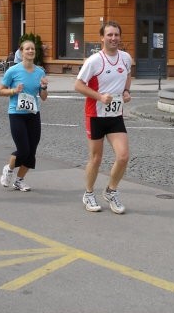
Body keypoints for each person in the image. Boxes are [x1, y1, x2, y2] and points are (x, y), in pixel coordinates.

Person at [74, 21, 132, 214]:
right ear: (102, 38)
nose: (113, 38)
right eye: (109, 35)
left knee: (123, 156)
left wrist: (125, 91)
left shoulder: (125, 58)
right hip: (95, 114)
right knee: (96, 158)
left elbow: (128, 76)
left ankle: (111, 191)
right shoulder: (94, 61)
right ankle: (89, 193)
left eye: (116, 35)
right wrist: (100, 96)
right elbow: (78, 85)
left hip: (115, 115)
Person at [0, 39, 48, 192]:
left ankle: (19, 180)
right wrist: (14, 91)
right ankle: (9, 168)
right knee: (23, 149)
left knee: (32, 150)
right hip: (16, 114)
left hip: (33, 114)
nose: (31, 51)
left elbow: (44, 97)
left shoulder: (40, 72)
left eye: (32, 49)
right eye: (27, 49)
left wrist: (44, 87)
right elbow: (1, 91)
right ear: (21, 52)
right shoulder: (13, 71)